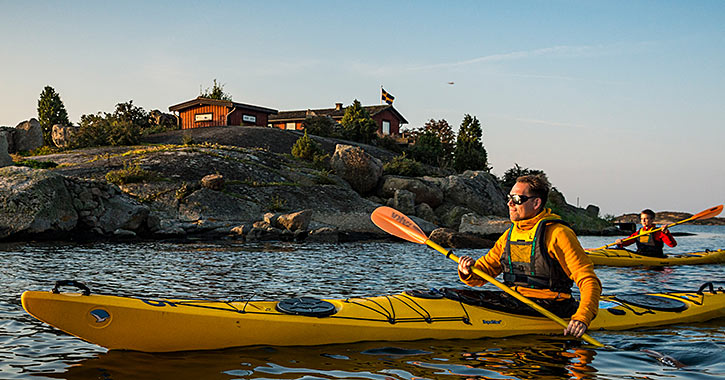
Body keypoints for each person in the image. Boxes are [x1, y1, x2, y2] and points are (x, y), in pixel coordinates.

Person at [458, 174, 601, 338]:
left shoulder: (558, 234)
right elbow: (484, 272)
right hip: (514, 300)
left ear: (536, 203)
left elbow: (589, 281)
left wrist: (582, 317)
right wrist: (467, 271)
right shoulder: (510, 235)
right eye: (509, 197)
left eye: (517, 199)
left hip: (551, 306)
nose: (510, 203)